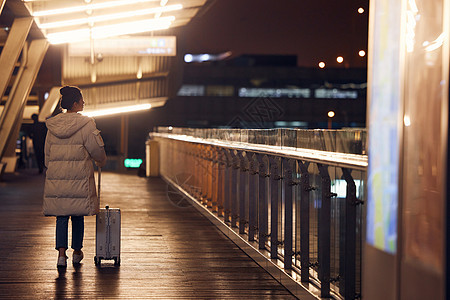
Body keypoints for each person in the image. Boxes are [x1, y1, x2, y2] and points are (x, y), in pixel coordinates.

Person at [43, 86, 107, 268]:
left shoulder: (53, 126)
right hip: (79, 177)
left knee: (61, 216)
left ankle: (61, 256)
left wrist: (54, 169)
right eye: (81, 100)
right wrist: (101, 161)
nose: (84, 103)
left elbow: (47, 154)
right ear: (75, 103)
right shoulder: (86, 124)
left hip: (58, 177)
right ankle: (77, 251)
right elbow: (96, 149)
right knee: (77, 214)